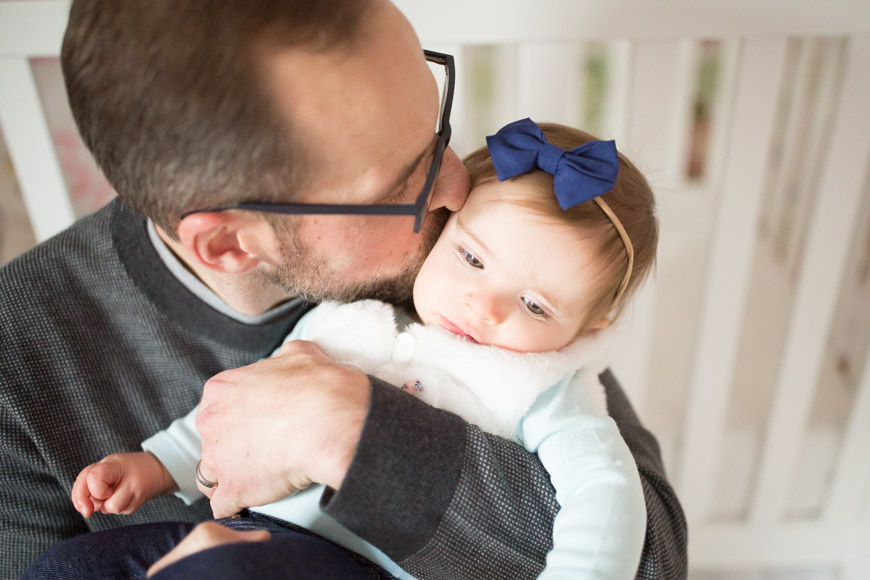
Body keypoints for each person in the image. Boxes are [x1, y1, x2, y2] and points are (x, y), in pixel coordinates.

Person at [0, 1, 687, 579]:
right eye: (399, 184)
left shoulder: (474, 266)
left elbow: (654, 556)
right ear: (231, 243)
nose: (456, 186)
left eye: (437, 126)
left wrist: (357, 438)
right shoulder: (20, 362)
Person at [66, 120, 655, 579]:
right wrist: (157, 463)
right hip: (254, 534)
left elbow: (605, 494)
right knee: (74, 568)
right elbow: (244, 404)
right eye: (472, 259)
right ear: (444, 226)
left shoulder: (545, 387)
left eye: (534, 305)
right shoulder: (358, 318)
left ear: (591, 324)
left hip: (366, 566)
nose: (484, 306)